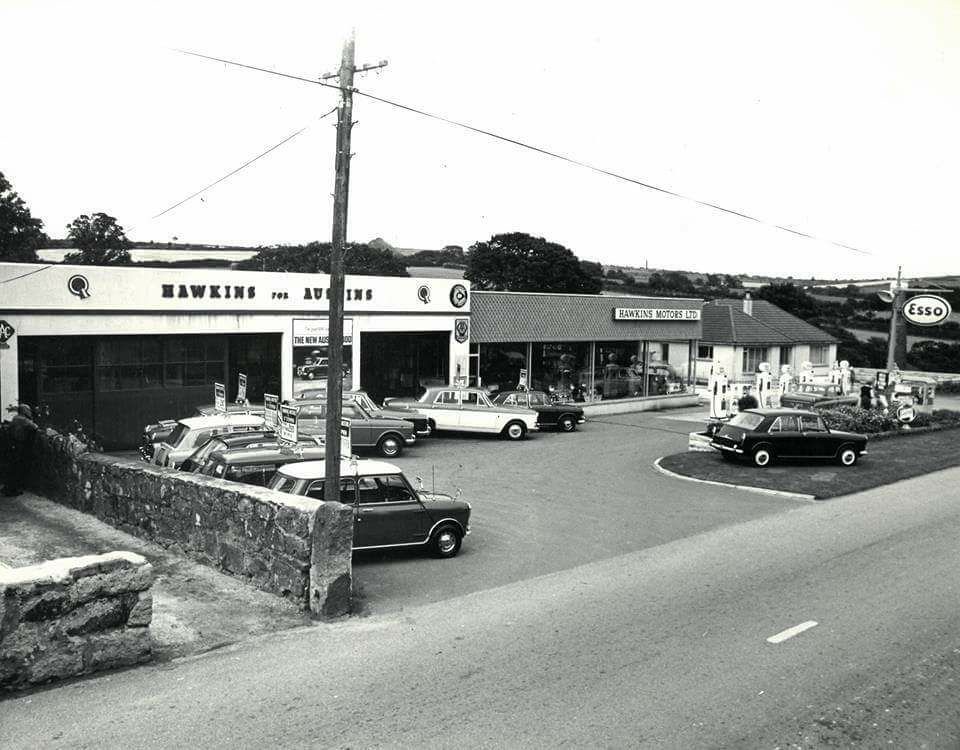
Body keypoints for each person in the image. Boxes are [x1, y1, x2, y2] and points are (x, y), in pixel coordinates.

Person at [2, 404, 38, 497]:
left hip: (11, 445)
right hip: (19, 445)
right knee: (17, 467)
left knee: (11, 467)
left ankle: (8, 488)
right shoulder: (24, 420)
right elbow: (35, 427)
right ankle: (12, 489)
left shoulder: (15, 418)